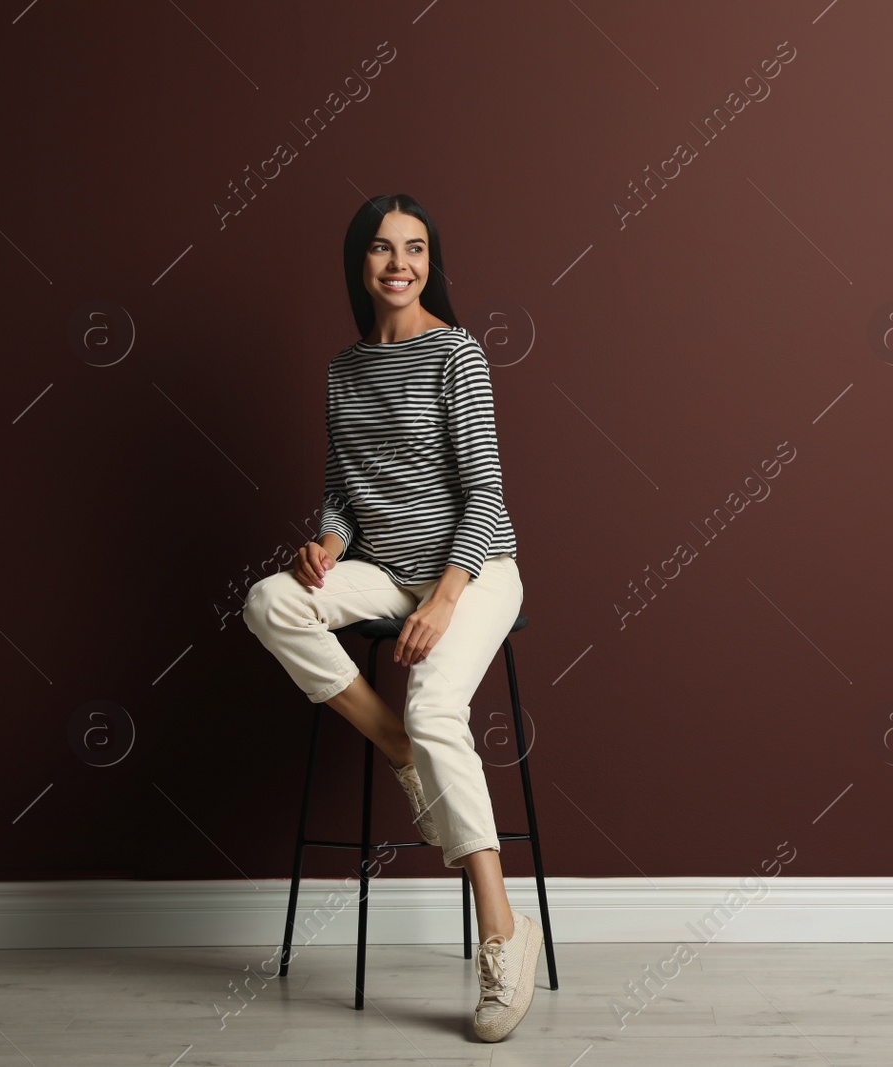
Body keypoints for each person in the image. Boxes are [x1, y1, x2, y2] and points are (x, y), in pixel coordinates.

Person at [243, 193, 543, 1042]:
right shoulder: (344, 367)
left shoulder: (459, 354)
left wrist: (447, 597)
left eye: (414, 248)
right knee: (270, 600)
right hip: (384, 570)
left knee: (436, 701)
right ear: (360, 264)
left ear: (430, 261)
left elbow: (485, 494)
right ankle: (404, 756)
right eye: (381, 249)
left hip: (474, 568)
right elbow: (345, 486)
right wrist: (327, 544)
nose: (399, 264)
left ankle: (501, 930)